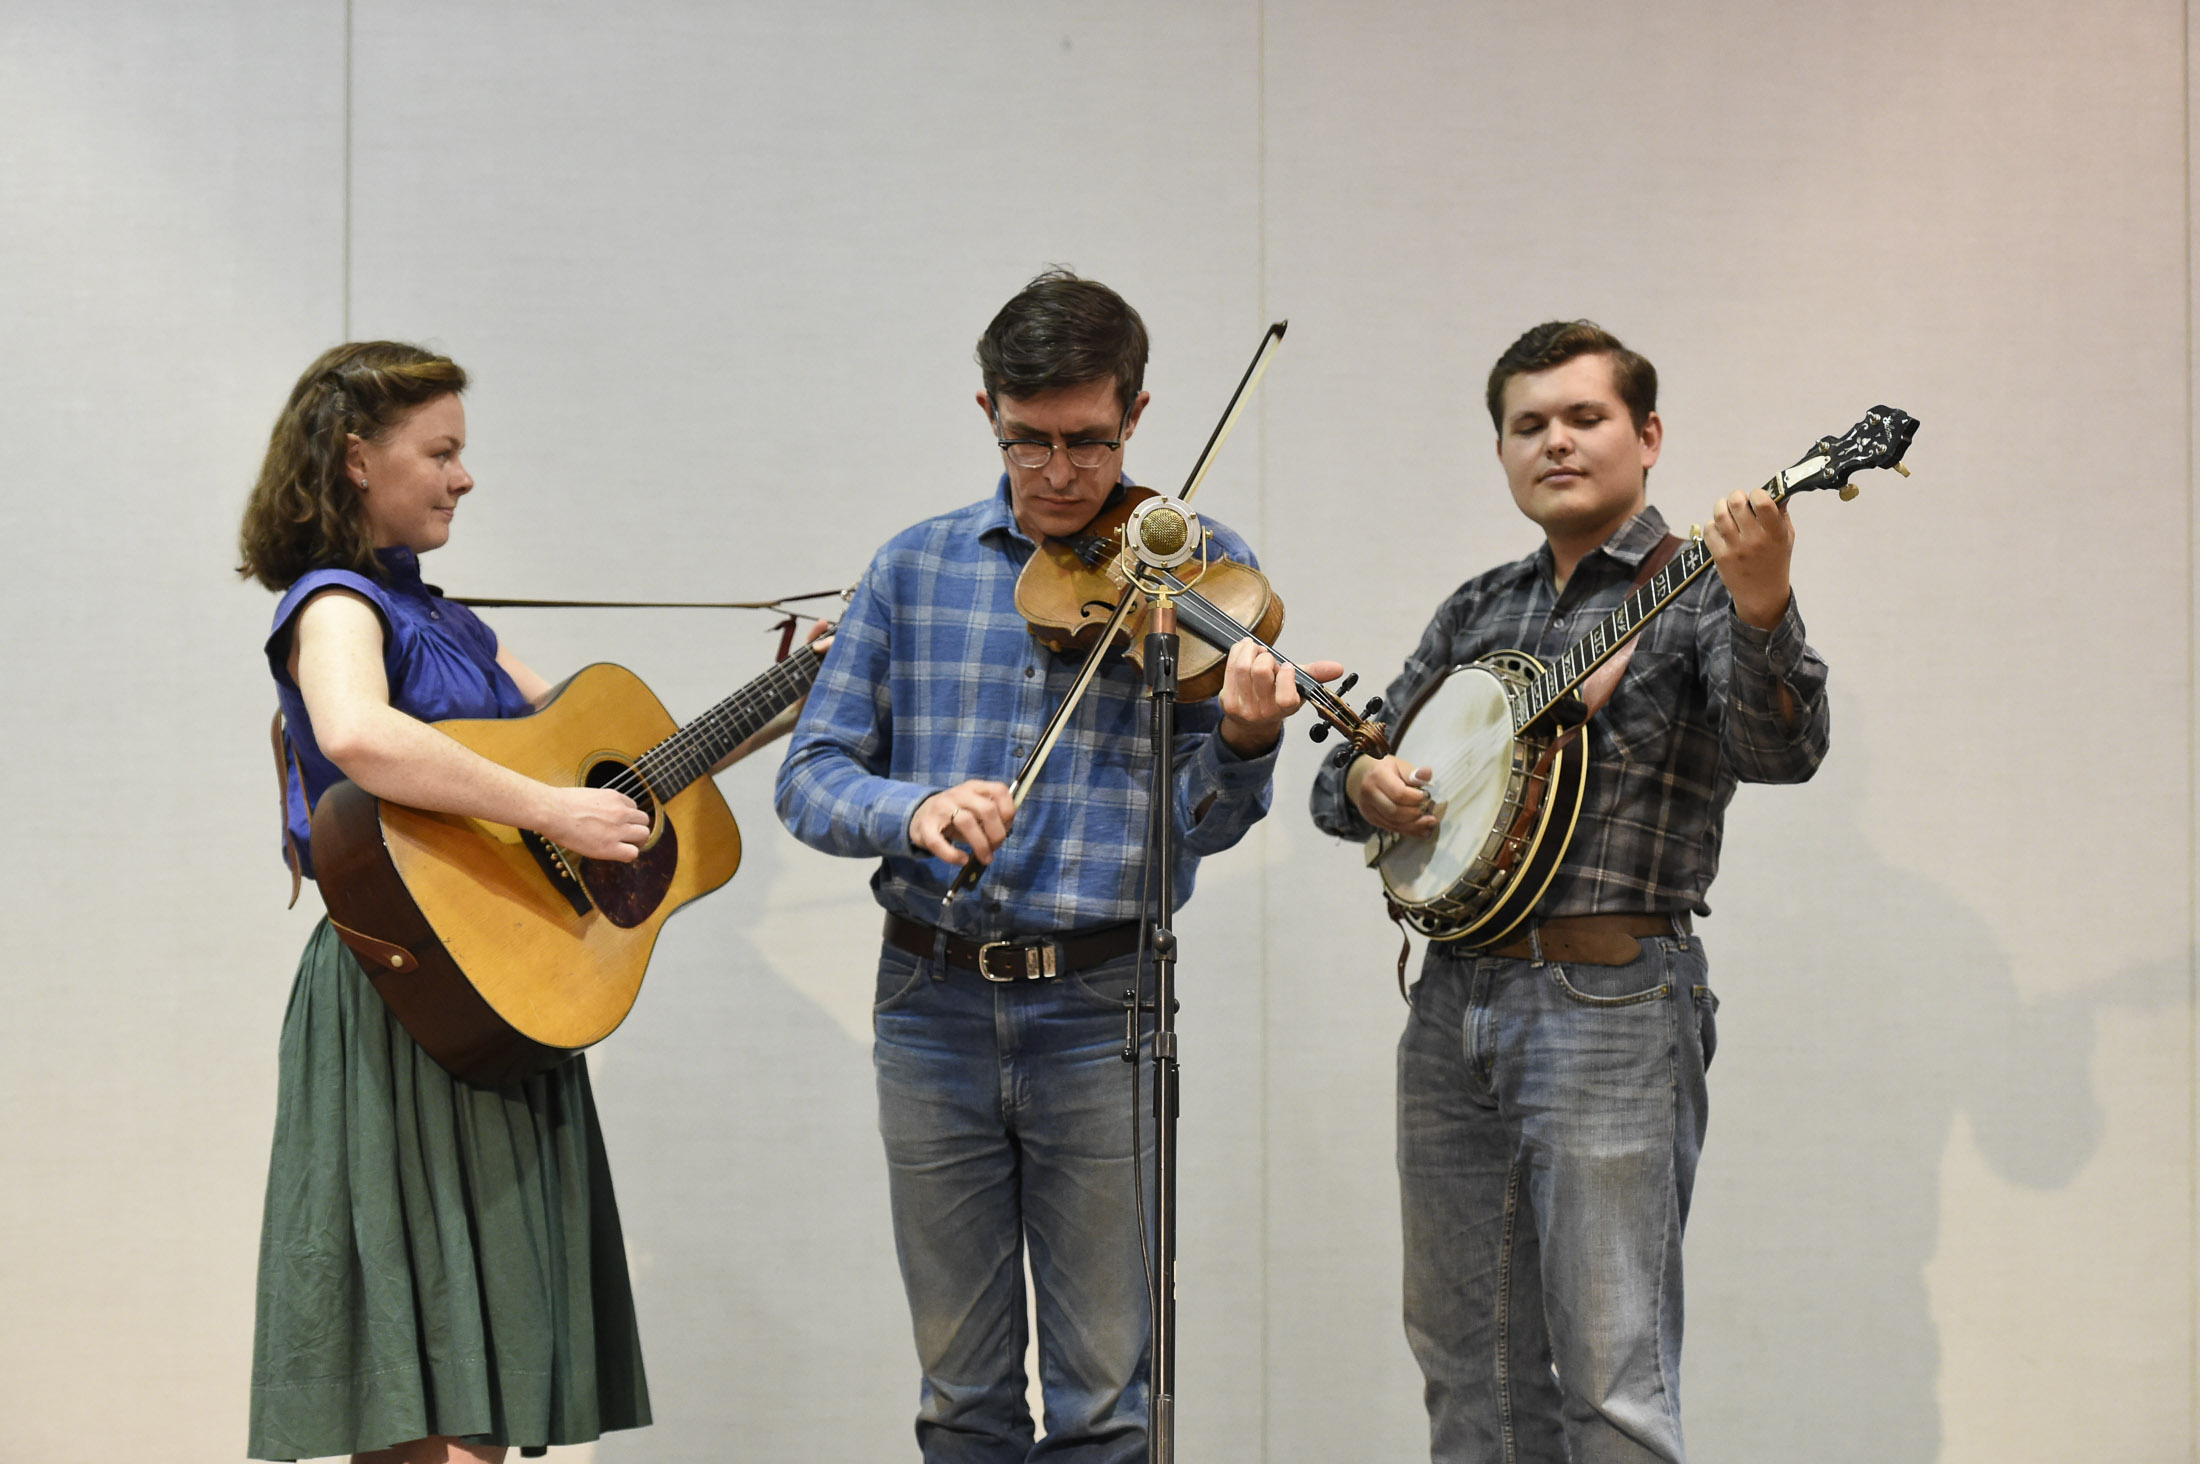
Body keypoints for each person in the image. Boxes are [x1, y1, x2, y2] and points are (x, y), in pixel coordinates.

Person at [775, 269, 1337, 1462]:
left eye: (1086, 441)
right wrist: (908, 806)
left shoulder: (1196, 572)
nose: (1059, 474)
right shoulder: (912, 569)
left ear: (1136, 416)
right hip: (930, 1005)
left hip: (1102, 1005)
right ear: (986, 409)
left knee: (1106, 1403)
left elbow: (1204, 820)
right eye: (1025, 440)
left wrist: (1241, 740)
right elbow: (809, 776)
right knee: (961, 1399)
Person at [239, 341, 789, 1464]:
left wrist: (792, 689)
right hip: (401, 1000)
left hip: (494, 1000)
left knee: (471, 1395)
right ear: (355, 460)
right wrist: (549, 812)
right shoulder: (334, 603)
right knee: (419, 1396)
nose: (463, 476)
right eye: (440, 452)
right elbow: (353, 733)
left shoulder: (449, 622)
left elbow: (635, 767)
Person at [1310, 320, 1830, 1464]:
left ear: (1646, 438)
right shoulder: (1477, 607)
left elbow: (1782, 751)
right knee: (1466, 1368)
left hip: (1612, 1000)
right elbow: (1337, 782)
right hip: (1453, 1003)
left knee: (1611, 1382)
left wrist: (1761, 607)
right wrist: (1365, 779)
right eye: (1526, 425)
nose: (1554, 442)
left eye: (1584, 418)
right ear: (1500, 451)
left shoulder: (1698, 587)